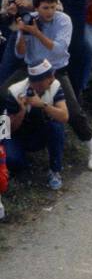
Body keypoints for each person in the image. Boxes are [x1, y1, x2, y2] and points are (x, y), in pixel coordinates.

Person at [12, 0, 92, 169]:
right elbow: (19, 53)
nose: (50, 12)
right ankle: (10, 147)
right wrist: (22, 32)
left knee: (74, 112)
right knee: (4, 95)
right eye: (45, 8)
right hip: (31, 69)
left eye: (53, 7)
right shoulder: (30, 20)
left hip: (55, 71)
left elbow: (60, 49)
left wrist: (37, 33)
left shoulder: (63, 20)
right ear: (36, 8)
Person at [4, 59, 69, 191]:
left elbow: (64, 117)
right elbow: (7, 130)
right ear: (37, 83)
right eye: (49, 77)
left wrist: (42, 105)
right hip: (17, 134)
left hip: (39, 131)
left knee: (56, 127)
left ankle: (54, 171)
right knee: (12, 159)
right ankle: (24, 168)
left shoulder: (55, 86)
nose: (53, 78)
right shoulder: (15, 91)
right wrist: (22, 110)